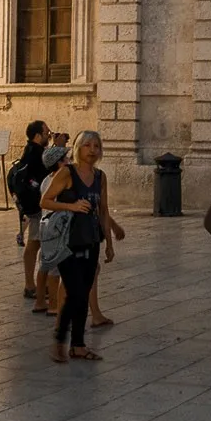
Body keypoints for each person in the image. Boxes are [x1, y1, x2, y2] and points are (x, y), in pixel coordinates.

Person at [40, 130, 120, 362]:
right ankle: (59, 338)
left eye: (96, 146)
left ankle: (78, 345)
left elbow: (103, 211)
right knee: (74, 292)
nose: (92, 150)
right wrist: (72, 206)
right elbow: (45, 200)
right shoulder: (67, 173)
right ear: (78, 148)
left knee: (83, 293)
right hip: (67, 241)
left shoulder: (99, 176)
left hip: (91, 239)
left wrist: (109, 243)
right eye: (87, 145)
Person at [10, 120, 51, 299]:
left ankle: (39, 283)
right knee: (35, 243)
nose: (49, 136)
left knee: (38, 243)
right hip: (37, 205)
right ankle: (31, 285)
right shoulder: (36, 153)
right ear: (37, 136)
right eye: (47, 133)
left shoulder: (32, 151)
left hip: (36, 204)